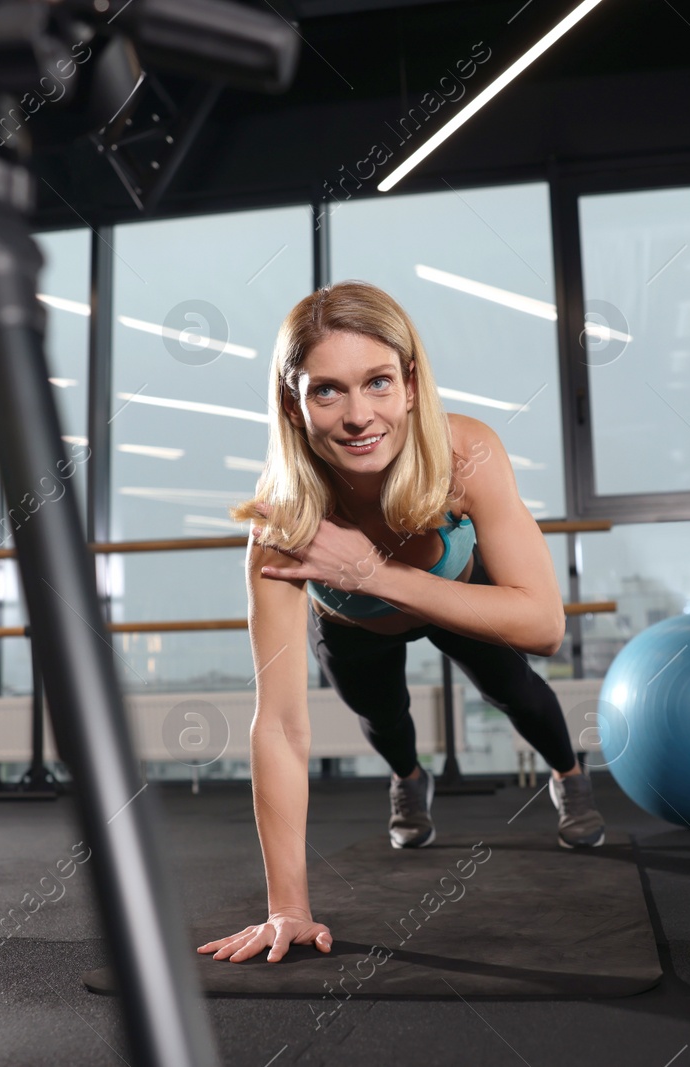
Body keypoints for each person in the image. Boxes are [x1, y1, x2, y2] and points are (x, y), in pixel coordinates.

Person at [200, 280, 604, 966]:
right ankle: (408, 779)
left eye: (378, 382)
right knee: (383, 722)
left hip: (453, 592)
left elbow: (542, 623)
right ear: (295, 408)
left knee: (518, 689)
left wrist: (374, 574)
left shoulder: (465, 453)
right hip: (355, 627)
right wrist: (287, 907)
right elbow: (282, 725)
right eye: (327, 390)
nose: (360, 415)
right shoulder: (283, 524)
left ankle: (568, 774)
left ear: (411, 384)